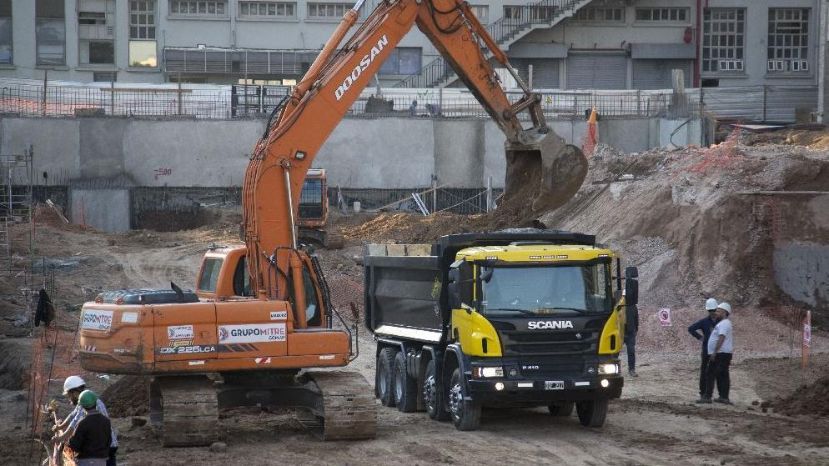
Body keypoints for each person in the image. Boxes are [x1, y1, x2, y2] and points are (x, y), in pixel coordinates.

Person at [54, 376, 119, 466]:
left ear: (74, 392)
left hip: (103, 446)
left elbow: (74, 424)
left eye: (69, 395)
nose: (69, 398)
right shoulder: (89, 400)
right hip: (106, 444)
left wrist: (61, 438)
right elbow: (72, 415)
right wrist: (60, 427)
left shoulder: (86, 403)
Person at [699, 302, 734, 404]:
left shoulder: (724, 324)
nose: (716, 312)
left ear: (724, 312)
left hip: (720, 354)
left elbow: (721, 337)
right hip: (723, 353)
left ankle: (707, 397)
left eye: (718, 311)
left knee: (710, 374)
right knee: (723, 375)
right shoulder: (724, 323)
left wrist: (714, 352)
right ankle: (723, 397)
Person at [67, 390, 112, 466]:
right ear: (95, 403)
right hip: (102, 461)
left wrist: (69, 441)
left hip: (85, 461)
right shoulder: (106, 421)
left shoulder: (83, 423)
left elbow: (75, 445)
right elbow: (109, 441)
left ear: (83, 406)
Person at [689, 298, 719, 401]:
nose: (712, 312)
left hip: (717, 351)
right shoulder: (704, 322)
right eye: (710, 311)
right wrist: (700, 337)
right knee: (704, 372)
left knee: (713, 373)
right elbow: (691, 328)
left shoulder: (721, 322)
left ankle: (709, 395)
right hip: (706, 351)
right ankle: (703, 394)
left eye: (713, 310)